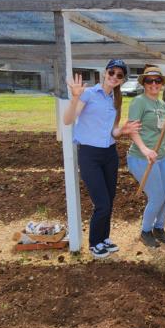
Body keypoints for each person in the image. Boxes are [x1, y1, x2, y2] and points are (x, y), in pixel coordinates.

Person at [63, 60, 141, 259]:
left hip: (109, 154)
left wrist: (122, 131)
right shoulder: (88, 94)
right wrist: (74, 98)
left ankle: (104, 238)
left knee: (110, 199)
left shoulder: (116, 100)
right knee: (102, 203)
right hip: (89, 154)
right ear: (105, 72)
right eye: (112, 72)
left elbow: (112, 132)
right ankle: (94, 243)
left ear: (122, 80)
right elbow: (68, 120)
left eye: (119, 75)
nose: (114, 77)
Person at [127, 66, 165, 248]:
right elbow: (132, 129)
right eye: (149, 81)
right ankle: (146, 231)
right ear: (144, 84)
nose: (154, 84)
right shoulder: (139, 102)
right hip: (141, 158)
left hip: (161, 158)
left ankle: (158, 228)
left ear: (161, 84)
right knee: (157, 197)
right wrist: (145, 150)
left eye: (157, 81)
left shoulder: (161, 105)